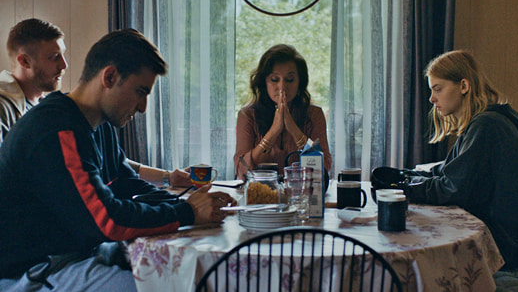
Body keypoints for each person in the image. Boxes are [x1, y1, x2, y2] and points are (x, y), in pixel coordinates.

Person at [0, 29, 235, 291]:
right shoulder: (57, 129)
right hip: (35, 271)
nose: (143, 106)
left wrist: (190, 202)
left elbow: (128, 183)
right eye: (140, 91)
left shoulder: (99, 124)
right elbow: (108, 220)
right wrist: (189, 211)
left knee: (188, 276)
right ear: (109, 77)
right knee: (163, 287)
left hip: (79, 254)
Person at [0, 18, 190, 188]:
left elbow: (113, 165)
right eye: (54, 57)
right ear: (24, 61)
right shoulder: (14, 110)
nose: (64, 65)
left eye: (63, 55)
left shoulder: (51, 106)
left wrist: (168, 177)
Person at [405, 50, 518, 269]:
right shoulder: (481, 124)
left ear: (464, 86)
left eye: (437, 89)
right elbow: (447, 172)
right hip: (510, 240)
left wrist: (404, 187)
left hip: (509, 248)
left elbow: (453, 189)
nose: (432, 99)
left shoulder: (486, 126)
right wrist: (407, 176)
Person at [234, 44, 332, 179]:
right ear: (264, 83)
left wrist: (293, 128)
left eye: (290, 80)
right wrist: (274, 131)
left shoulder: (314, 114)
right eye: (274, 80)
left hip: (301, 194)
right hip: (261, 195)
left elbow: (323, 169)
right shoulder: (248, 115)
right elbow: (242, 171)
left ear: (299, 83)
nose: (282, 86)